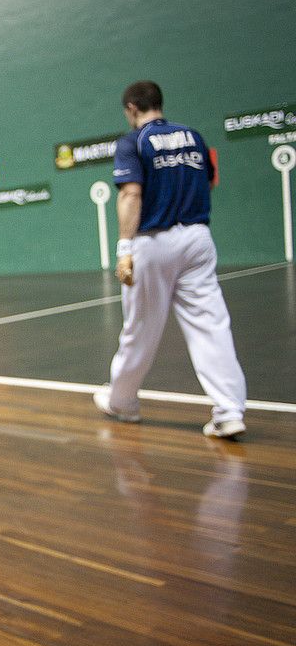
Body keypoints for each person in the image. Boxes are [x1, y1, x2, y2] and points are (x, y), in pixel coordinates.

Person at [93, 80, 247, 439]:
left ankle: (123, 403)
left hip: (154, 242)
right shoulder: (193, 136)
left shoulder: (134, 142)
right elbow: (210, 181)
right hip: (197, 239)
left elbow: (131, 194)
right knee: (211, 324)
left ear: (132, 108)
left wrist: (124, 248)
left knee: (139, 329)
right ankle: (229, 411)